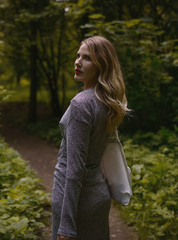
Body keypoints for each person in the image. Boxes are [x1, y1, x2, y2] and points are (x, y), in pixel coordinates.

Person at [51, 36, 130, 240]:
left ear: (101, 65)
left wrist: (66, 225)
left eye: (87, 58)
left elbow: (75, 168)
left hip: (76, 204)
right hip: (98, 197)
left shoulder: (81, 104)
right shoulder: (108, 102)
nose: (78, 62)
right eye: (78, 55)